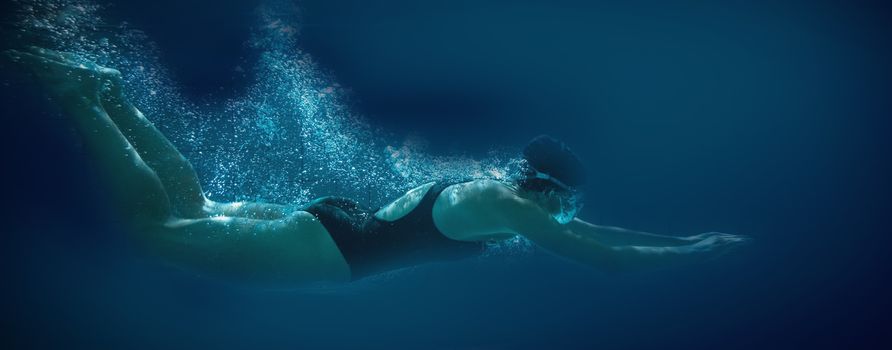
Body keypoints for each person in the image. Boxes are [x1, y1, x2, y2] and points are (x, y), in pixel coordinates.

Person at [6, 47, 746, 283]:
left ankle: (113, 97)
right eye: (563, 205)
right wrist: (696, 252)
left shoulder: (486, 190)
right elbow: (597, 250)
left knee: (188, 207)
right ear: (549, 192)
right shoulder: (514, 207)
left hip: (328, 229)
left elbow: (597, 231)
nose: (561, 218)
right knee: (156, 228)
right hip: (330, 247)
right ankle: (81, 97)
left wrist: (683, 241)